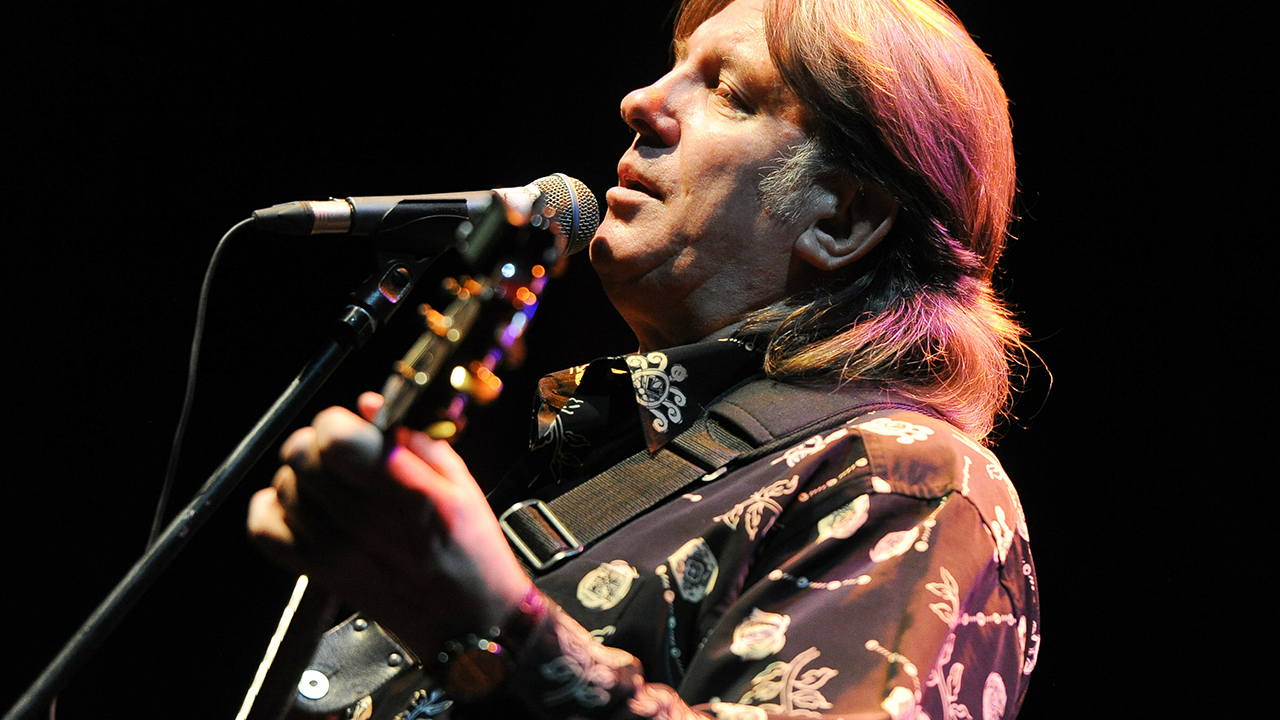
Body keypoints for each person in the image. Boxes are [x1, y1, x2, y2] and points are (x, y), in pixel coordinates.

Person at [247, 0, 1040, 718]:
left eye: (728, 91)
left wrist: (495, 633)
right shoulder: (626, 458)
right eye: (675, 67)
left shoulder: (907, 480)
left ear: (841, 220)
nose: (641, 101)